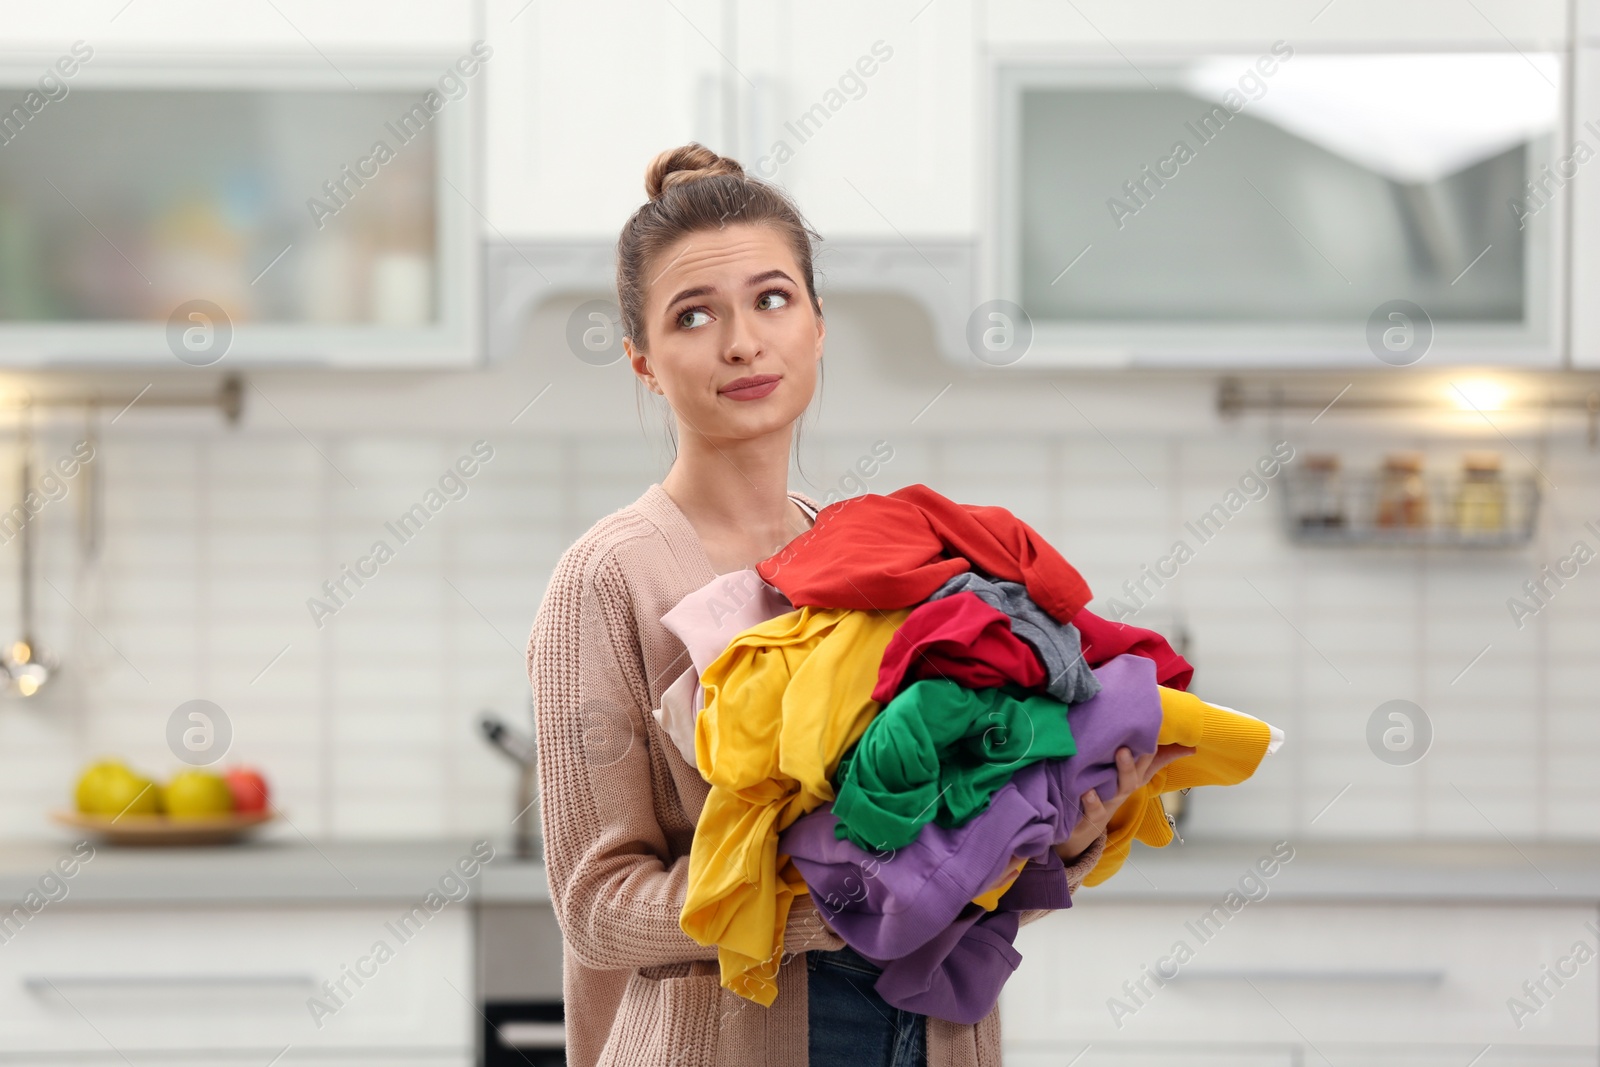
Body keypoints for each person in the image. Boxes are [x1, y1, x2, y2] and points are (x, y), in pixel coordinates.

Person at [526, 142, 1190, 1067]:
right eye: (692, 316)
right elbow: (597, 907)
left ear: (818, 324)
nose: (742, 342)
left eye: (771, 298)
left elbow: (968, 843)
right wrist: (842, 900)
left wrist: (1055, 833)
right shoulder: (607, 578)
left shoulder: (882, 550)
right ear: (642, 360)